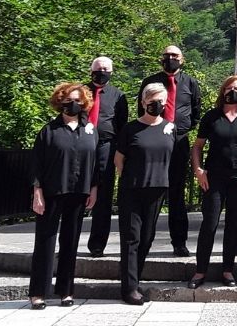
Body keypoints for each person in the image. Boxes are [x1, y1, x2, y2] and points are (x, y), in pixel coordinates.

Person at [28, 83, 99, 310]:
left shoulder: (90, 130)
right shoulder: (48, 131)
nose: (74, 104)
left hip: (79, 192)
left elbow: (96, 162)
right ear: (60, 101)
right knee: (45, 242)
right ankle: (38, 292)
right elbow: (36, 165)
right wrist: (37, 192)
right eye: (69, 99)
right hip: (52, 192)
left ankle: (66, 291)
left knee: (71, 242)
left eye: (78, 100)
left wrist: (94, 188)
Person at [188, 76, 237, 289]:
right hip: (215, 178)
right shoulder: (212, 116)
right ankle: (200, 270)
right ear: (223, 91)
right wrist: (198, 170)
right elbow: (198, 146)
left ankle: (228, 269)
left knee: (233, 224)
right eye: (229, 87)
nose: (233, 91)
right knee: (209, 223)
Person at [137, 45, 202, 257]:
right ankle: (143, 242)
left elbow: (196, 112)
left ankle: (179, 243)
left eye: (175, 56)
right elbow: (141, 110)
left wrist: (179, 130)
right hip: (153, 140)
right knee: (150, 192)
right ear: (161, 59)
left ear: (182, 60)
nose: (170, 59)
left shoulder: (190, 82)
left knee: (177, 194)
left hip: (179, 141)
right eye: (167, 55)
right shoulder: (150, 82)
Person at [116, 83, 176, 305]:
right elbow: (119, 160)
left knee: (147, 237)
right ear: (143, 103)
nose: (156, 105)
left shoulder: (170, 127)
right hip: (132, 189)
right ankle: (129, 288)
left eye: (160, 101)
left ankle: (134, 278)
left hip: (158, 188)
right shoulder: (130, 129)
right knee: (132, 237)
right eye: (151, 101)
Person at [85, 56, 129, 258]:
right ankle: (68, 242)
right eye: (98, 68)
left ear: (111, 72)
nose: (101, 72)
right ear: (91, 70)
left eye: (105, 69)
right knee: (76, 194)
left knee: (103, 197)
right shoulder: (80, 92)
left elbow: (122, 125)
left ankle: (97, 245)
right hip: (81, 147)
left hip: (106, 147)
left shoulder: (118, 96)